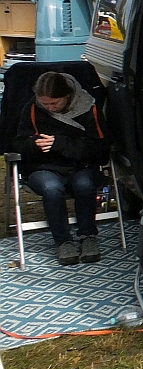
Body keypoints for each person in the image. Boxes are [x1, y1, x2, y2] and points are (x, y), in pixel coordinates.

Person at [13, 71, 109, 265]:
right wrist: (33, 144)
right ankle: (63, 241)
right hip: (43, 168)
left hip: (81, 165)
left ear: (67, 96)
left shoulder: (88, 108)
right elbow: (18, 143)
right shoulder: (32, 109)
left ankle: (88, 237)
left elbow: (100, 149)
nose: (49, 108)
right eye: (45, 104)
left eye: (54, 103)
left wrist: (60, 144)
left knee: (84, 185)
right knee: (51, 188)